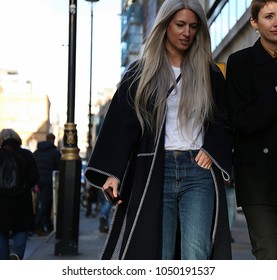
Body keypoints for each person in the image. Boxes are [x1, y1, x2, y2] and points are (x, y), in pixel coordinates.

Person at [85, 0, 232, 260]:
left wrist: (212, 148)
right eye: (180, 25)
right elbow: (122, 125)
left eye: (193, 26)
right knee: (158, 253)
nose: (187, 32)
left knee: (196, 252)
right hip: (156, 170)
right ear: (165, 25)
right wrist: (112, 174)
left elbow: (223, 119)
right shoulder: (141, 73)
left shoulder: (209, 73)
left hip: (197, 171)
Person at [226, 0, 277, 259]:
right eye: (269, 16)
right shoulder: (240, 63)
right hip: (259, 179)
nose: (276, 22)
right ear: (255, 23)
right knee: (270, 254)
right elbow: (242, 121)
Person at [0, 129, 39, 260]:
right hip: (22, 199)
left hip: (1, 200)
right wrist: (25, 186)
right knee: (21, 228)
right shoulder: (26, 155)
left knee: (1, 231)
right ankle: (16, 253)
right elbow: (35, 177)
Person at [33, 133, 61, 236]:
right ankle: (37, 225)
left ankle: (47, 226)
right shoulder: (54, 153)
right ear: (53, 140)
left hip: (37, 181)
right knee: (45, 204)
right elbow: (59, 167)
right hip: (49, 181)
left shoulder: (36, 152)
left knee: (41, 203)